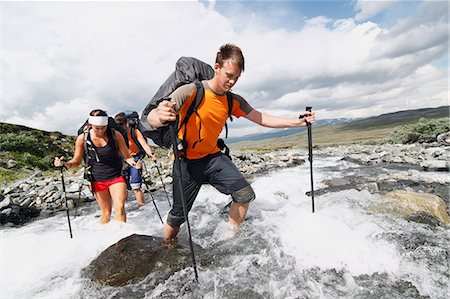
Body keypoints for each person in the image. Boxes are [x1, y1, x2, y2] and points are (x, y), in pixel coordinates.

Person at [147, 44, 315, 241]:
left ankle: (229, 240)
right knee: (177, 217)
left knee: (244, 195)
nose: (232, 81)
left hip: (212, 159)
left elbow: (261, 118)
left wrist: (298, 122)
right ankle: (166, 247)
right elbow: (154, 116)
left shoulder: (233, 101)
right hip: (186, 164)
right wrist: (159, 115)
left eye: (237, 77)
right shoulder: (191, 91)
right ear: (216, 67)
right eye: (229, 75)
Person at [54, 109, 140, 224]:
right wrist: (64, 164)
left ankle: (122, 237)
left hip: (117, 176)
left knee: (119, 207)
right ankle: (105, 237)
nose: (100, 130)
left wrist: (135, 163)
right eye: (97, 128)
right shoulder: (82, 139)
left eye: (103, 127)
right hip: (97, 179)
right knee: (106, 212)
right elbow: (76, 161)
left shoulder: (116, 135)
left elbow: (127, 157)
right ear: (90, 125)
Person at [114, 112, 158, 206]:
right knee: (122, 187)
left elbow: (144, 145)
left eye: (121, 125)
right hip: (122, 161)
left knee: (136, 187)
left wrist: (152, 155)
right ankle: (124, 209)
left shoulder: (134, 132)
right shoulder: (115, 134)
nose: (120, 127)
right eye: (117, 126)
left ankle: (142, 208)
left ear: (126, 123)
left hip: (135, 159)